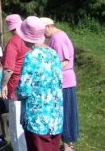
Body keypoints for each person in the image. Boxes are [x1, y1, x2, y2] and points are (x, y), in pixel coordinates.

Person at [16, 16, 63, 151]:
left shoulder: (32, 56)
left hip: (37, 118)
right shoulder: (53, 53)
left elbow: (24, 90)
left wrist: (17, 93)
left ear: (26, 37)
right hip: (55, 116)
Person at [40, 17, 79, 151]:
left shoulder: (58, 38)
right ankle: (67, 144)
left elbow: (64, 61)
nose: (43, 35)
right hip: (63, 81)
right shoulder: (57, 36)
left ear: (48, 27)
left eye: (43, 31)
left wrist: (48, 73)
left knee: (66, 112)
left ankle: (68, 145)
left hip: (64, 82)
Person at [0, 14, 29, 151]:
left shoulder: (14, 42)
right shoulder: (30, 40)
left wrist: (3, 84)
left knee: (16, 122)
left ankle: (20, 148)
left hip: (16, 86)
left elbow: (8, 69)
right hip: (31, 86)